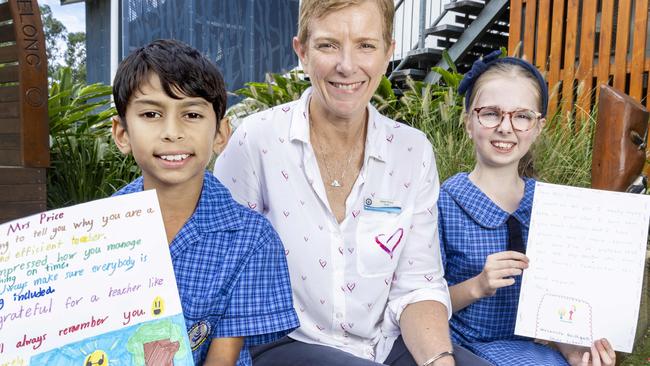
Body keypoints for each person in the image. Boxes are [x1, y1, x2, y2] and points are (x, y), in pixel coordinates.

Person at [214, 1, 490, 365]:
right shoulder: (258, 140)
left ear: (388, 52)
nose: (347, 65)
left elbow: (417, 284)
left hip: (385, 343)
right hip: (284, 342)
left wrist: (440, 360)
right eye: (328, 45)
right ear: (302, 51)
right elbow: (224, 271)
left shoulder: (411, 151)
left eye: (366, 45)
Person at [110, 39, 299, 366]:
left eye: (192, 114)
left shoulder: (252, 241)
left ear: (221, 134)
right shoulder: (98, 232)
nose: (172, 132)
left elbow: (221, 360)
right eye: (151, 113)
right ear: (122, 133)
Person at [438, 50, 617, 366]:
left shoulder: (552, 207)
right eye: (491, 113)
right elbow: (421, 303)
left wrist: (571, 349)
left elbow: (564, 301)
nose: (505, 127)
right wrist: (478, 285)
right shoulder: (444, 203)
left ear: (538, 127)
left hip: (531, 352)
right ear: (468, 123)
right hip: (463, 350)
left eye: (521, 116)